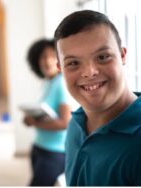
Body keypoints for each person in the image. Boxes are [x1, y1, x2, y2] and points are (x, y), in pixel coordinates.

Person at [54, 10, 141, 186]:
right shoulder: (75, 124)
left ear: (122, 55)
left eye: (102, 57)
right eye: (73, 63)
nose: (90, 72)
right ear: (60, 69)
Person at [23, 38, 76, 186]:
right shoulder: (47, 82)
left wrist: (35, 123)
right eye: (43, 57)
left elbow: (65, 123)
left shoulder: (61, 84)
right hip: (39, 146)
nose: (47, 61)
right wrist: (31, 119)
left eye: (52, 56)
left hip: (55, 152)